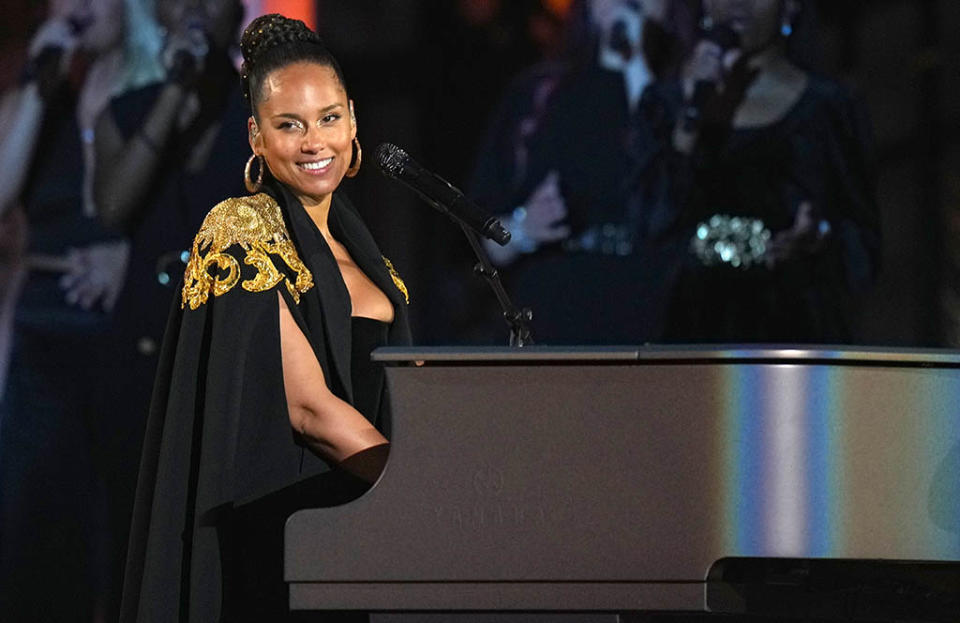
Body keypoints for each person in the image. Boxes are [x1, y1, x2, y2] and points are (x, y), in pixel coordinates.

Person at [120, 13, 412, 622]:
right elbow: (307, 407)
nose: (315, 142)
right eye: (290, 126)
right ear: (256, 136)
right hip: (289, 544)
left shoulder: (367, 252)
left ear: (353, 120)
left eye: (329, 119)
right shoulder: (240, 227)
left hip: (366, 538)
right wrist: (418, 487)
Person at [0, 0, 130, 619]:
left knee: (108, 531)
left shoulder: (156, 95)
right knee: (31, 531)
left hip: (119, 334)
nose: (79, 7)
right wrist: (35, 81)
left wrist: (130, 255)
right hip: (41, 337)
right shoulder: (44, 100)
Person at [466, 0, 698, 344]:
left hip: (653, 308)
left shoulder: (688, 95)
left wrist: (637, 66)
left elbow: (675, 190)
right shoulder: (537, 97)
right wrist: (524, 227)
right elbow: (479, 226)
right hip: (555, 305)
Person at [661, 0, 880, 342]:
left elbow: (864, 249)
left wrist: (817, 237)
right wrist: (691, 116)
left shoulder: (831, 111)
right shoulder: (665, 106)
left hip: (794, 337)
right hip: (688, 337)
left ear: (790, 6)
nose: (737, 4)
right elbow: (648, 221)